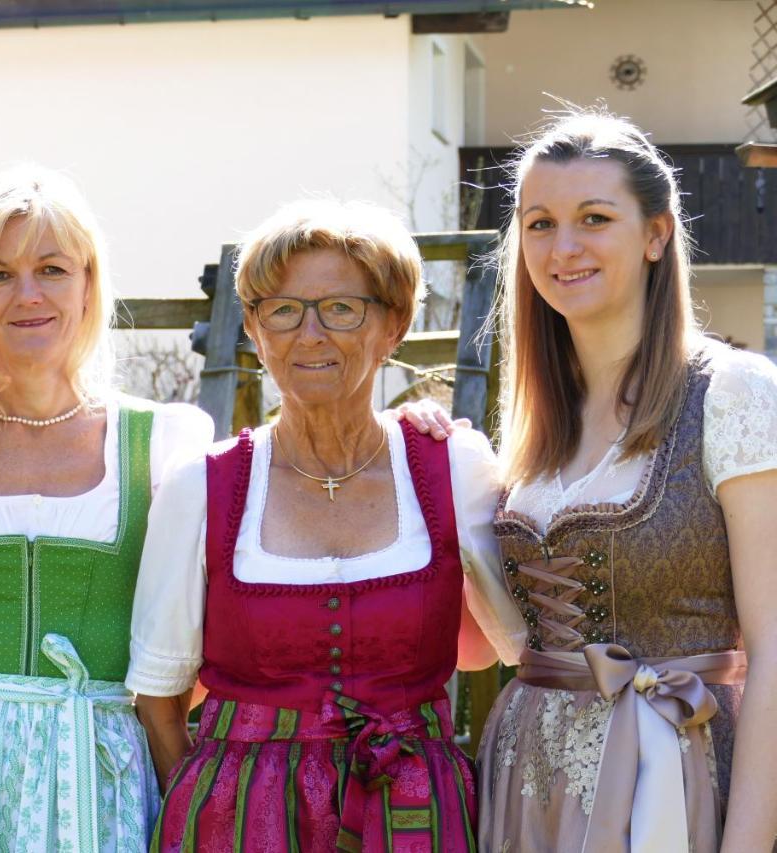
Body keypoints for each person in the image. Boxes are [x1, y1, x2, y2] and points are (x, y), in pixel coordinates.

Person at [126, 199, 525, 852]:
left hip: (415, 820)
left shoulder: (451, 467)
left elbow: (521, 647)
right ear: (254, 329)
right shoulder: (200, 486)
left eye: (340, 308)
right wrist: (213, 808)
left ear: (393, 323)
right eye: (283, 310)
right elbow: (160, 699)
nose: (309, 334)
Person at [0, 168, 215, 852]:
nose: (27, 294)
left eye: (52, 269)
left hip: (102, 771)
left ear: (89, 283)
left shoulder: (162, 442)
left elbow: (204, 637)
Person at [476, 110, 777, 852]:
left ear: (655, 234)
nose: (564, 247)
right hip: (528, 785)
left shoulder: (732, 392)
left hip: (673, 781)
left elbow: (774, 647)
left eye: (594, 218)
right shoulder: (532, 421)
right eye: (540, 224)